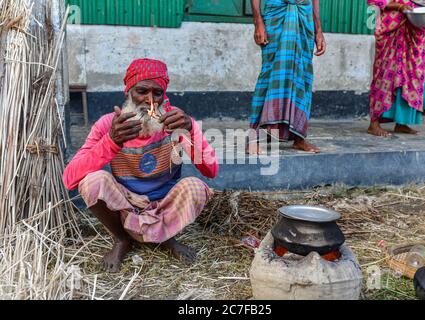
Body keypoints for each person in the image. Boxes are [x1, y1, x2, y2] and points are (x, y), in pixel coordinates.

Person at [63, 58, 219, 272]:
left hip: (165, 203)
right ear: (128, 91)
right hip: (126, 205)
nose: (150, 100)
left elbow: (211, 170)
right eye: (142, 91)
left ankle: (167, 239)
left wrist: (189, 129)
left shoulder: (177, 122)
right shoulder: (109, 124)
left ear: (164, 96)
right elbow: (69, 178)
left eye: (157, 93)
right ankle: (122, 239)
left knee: (195, 187)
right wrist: (111, 142)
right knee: (93, 182)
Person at [248, 0, 326, 154]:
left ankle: (299, 137)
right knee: (270, 73)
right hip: (277, 13)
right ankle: (253, 138)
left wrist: (318, 30)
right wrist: (258, 22)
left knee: (302, 74)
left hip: (304, 15)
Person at [367, 0, 425, 137]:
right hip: (391, 27)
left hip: (414, 26)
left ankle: (402, 122)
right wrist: (400, 6)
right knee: (385, 74)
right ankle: (374, 123)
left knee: (411, 76)